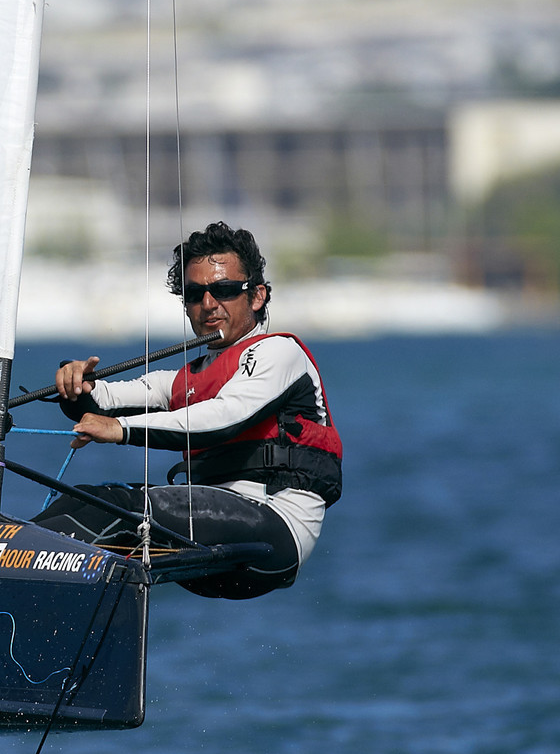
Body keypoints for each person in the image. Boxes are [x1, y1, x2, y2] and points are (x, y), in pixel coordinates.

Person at [43, 220, 341, 600]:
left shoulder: (280, 353)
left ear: (257, 296)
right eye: (195, 294)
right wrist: (73, 380)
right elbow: (99, 399)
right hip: (209, 543)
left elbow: (224, 418)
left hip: (273, 535)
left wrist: (121, 430)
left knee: (123, 508)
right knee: (86, 502)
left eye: (224, 290)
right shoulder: (184, 378)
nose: (208, 304)